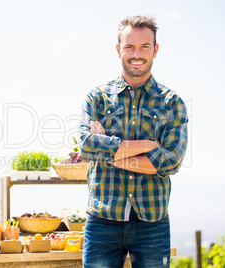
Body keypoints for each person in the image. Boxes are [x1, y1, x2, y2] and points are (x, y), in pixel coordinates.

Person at [79, 15, 188, 268]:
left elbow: (171, 161)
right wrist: (150, 145)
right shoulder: (97, 98)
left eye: (144, 46)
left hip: (152, 222)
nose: (136, 53)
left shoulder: (172, 103)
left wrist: (109, 149)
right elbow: (86, 145)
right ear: (118, 50)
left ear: (155, 50)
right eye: (129, 46)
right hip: (102, 218)